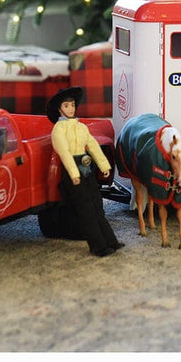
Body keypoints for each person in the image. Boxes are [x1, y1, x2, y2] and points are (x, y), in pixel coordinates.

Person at [47, 86, 124, 256]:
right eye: (66, 106)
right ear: (60, 109)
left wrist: (104, 166)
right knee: (86, 209)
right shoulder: (59, 130)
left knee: (97, 205)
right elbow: (64, 153)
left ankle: (111, 241)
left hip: (86, 166)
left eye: (72, 105)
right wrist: (74, 174)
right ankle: (98, 245)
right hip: (72, 170)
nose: (70, 109)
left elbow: (93, 145)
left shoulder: (81, 127)